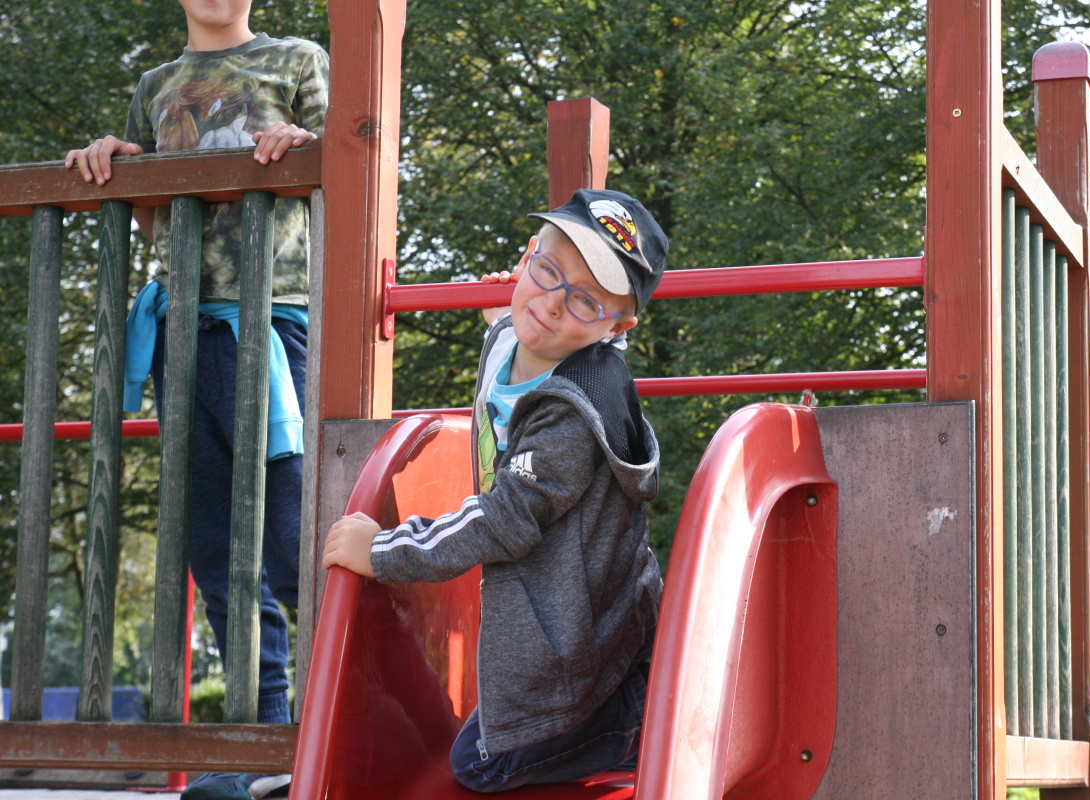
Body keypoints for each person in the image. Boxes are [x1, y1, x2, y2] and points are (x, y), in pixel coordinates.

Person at [322, 188, 668, 793]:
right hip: (551, 621)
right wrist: (504, 314)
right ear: (528, 255)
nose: (552, 305)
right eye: (548, 271)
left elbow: (506, 520)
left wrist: (384, 551)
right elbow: (517, 326)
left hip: (584, 639)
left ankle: (628, 721)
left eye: (585, 301)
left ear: (617, 326)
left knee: (479, 766)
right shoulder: (511, 337)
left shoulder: (573, 415)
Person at [65, 2, 328, 798]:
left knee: (290, 536)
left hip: (274, 322)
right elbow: (152, 212)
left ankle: (324, 732)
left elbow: (352, 166)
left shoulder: (296, 60)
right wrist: (114, 162)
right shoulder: (156, 85)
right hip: (183, 330)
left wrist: (306, 147)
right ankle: (256, 744)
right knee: (214, 549)